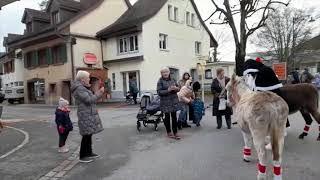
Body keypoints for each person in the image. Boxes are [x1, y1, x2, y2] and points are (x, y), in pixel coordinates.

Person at [243, 58, 290, 127]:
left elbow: (260, 87)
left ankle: (281, 126)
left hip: (271, 94)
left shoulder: (264, 71)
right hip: (263, 95)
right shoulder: (255, 74)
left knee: (276, 110)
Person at [71, 70, 105, 163]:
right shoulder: (79, 89)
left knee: (89, 134)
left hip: (88, 114)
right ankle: (83, 156)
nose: (89, 79)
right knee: (86, 135)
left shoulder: (82, 87)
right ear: (82, 80)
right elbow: (89, 100)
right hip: (85, 115)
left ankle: (89, 153)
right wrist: (99, 93)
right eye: (88, 78)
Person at [157, 67, 181, 140]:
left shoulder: (173, 79)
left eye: (166, 72)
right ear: (161, 73)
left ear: (169, 72)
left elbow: (178, 88)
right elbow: (159, 92)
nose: (165, 73)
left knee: (174, 118)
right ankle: (168, 132)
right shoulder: (160, 81)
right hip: (165, 102)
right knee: (167, 118)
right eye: (163, 72)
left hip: (173, 101)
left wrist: (177, 89)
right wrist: (168, 90)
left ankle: (175, 132)